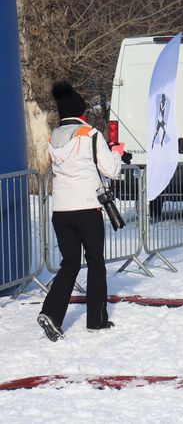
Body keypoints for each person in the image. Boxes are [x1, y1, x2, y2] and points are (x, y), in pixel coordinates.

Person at [37, 81, 129, 342]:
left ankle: (51, 313)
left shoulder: (53, 138)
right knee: (96, 262)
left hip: (61, 211)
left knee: (70, 263)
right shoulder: (91, 135)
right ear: (80, 113)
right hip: (88, 208)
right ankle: (96, 320)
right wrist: (118, 153)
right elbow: (111, 170)